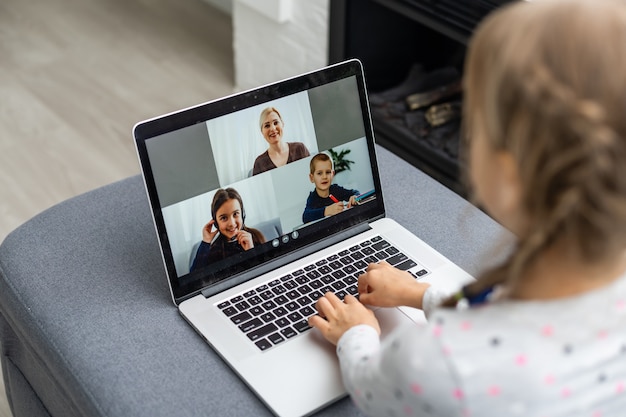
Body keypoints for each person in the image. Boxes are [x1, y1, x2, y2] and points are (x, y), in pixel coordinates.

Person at [308, 0, 626, 415]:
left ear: (509, 175)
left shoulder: (439, 364)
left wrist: (358, 334)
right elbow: (503, 314)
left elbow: (373, 389)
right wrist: (419, 293)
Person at [190, 188, 265, 271]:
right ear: (216, 223)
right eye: (224, 218)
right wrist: (205, 242)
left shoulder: (256, 236)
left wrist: (251, 252)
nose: (232, 223)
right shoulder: (214, 252)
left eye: (235, 214)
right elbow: (195, 278)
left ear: (242, 214)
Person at [302, 153, 359, 224]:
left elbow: (355, 192)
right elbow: (305, 216)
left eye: (328, 172)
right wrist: (327, 211)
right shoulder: (313, 198)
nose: (324, 177)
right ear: (312, 178)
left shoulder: (335, 189)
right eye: (319, 173)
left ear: (332, 175)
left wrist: (355, 197)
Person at [252, 106, 310, 175]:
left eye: (276, 123)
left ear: (282, 124)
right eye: (267, 126)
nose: (273, 128)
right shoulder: (259, 163)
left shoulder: (300, 149)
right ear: (262, 132)